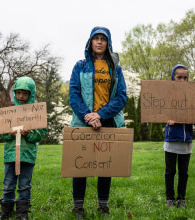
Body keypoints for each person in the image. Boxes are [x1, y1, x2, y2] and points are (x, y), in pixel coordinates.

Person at [68, 26, 127, 218]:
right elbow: (74, 94)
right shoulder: (80, 66)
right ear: (90, 42)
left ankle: (103, 205)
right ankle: (78, 207)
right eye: (96, 38)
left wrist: (100, 115)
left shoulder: (115, 69)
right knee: (80, 166)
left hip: (107, 121)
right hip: (83, 121)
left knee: (105, 165)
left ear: (108, 43)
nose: (100, 42)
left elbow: (121, 97)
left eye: (103, 39)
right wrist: (88, 115)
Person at [0, 76, 47, 220]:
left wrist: (30, 133)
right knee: (8, 184)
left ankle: (22, 213)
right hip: (11, 154)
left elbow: (41, 132)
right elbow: (1, 131)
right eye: (18, 93)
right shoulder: (9, 112)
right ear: (14, 93)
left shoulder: (36, 113)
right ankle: (6, 211)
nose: (21, 96)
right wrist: (9, 133)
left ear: (31, 93)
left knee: (24, 185)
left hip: (27, 155)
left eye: (25, 93)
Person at [163, 64, 195, 208]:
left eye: (185, 78)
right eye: (179, 77)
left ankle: (181, 198)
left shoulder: (192, 97)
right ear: (173, 78)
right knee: (170, 171)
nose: (183, 80)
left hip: (186, 140)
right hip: (172, 139)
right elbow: (160, 112)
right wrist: (167, 118)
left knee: (184, 172)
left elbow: (193, 114)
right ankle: (170, 198)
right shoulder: (167, 96)